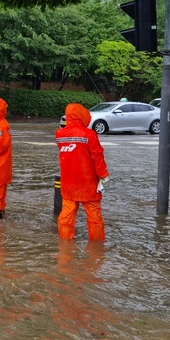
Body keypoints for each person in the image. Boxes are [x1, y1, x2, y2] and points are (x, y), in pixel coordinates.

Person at [55, 103, 109, 241]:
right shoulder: (89, 134)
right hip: (87, 182)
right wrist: (103, 175)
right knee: (94, 216)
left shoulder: (59, 134)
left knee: (66, 215)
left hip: (68, 182)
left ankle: (65, 245)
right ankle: (97, 246)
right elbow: (97, 156)